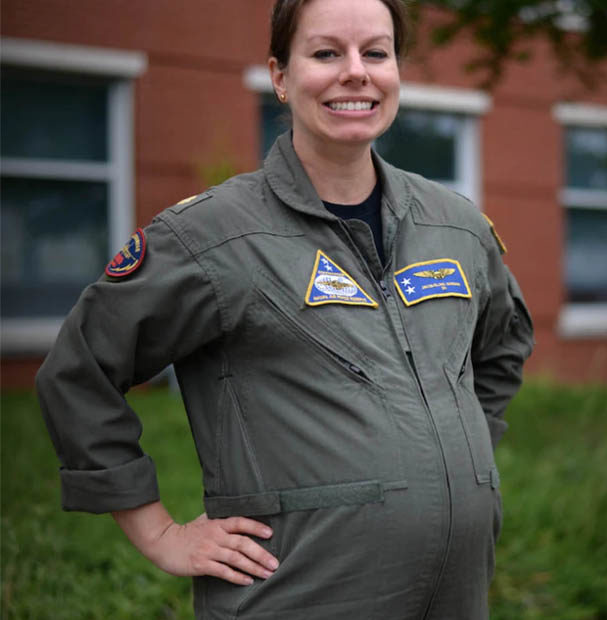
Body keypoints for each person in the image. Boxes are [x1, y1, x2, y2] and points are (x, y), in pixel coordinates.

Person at [36, 0, 534, 618]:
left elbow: (502, 342)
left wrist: (460, 454)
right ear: (280, 75)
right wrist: (158, 533)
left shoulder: (455, 226)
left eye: (375, 52)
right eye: (326, 53)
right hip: (297, 594)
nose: (356, 72)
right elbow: (79, 372)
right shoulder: (212, 236)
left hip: (456, 597)